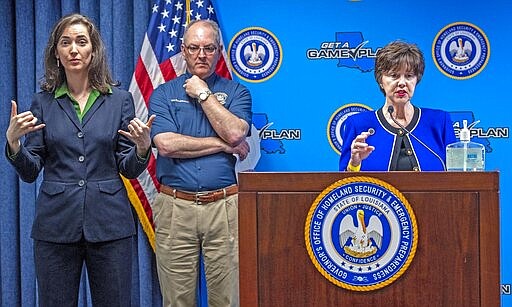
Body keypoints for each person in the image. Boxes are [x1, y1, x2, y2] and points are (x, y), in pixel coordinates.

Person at [5, 14, 154, 306]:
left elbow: (128, 167)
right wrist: (14, 144)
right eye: (66, 43)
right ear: (57, 53)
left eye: (81, 42)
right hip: (56, 227)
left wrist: (141, 149)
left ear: (93, 51)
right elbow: (31, 170)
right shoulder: (42, 103)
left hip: (110, 226)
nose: (73, 49)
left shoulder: (119, 100)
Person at [149, 19, 252, 307]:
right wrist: (221, 145)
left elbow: (234, 132)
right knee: (177, 301)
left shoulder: (236, 93)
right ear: (183, 50)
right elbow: (167, 145)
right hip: (174, 208)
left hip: (225, 207)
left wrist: (203, 94)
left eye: (208, 48)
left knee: (228, 300)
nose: (201, 55)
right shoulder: (164, 94)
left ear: (219, 51)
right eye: (194, 48)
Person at [339, 40, 456, 172]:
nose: (402, 83)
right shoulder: (357, 124)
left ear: (417, 80)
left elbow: (457, 177)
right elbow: (345, 188)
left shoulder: (439, 122)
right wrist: (354, 163)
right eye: (394, 75)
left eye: (409, 76)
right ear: (380, 81)